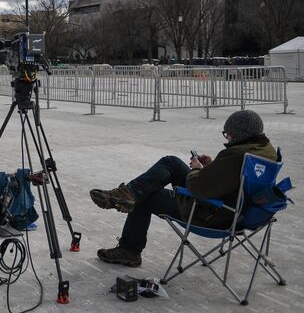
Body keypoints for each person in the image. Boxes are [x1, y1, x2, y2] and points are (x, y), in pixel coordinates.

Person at [90, 110, 276, 267]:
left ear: (238, 134)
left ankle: (129, 249)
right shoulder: (265, 151)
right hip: (236, 209)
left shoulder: (237, 154)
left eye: (227, 134)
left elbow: (198, 187)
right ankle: (129, 194)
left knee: (147, 196)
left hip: (212, 214)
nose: (227, 138)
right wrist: (212, 168)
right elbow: (231, 179)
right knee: (171, 162)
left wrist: (197, 171)